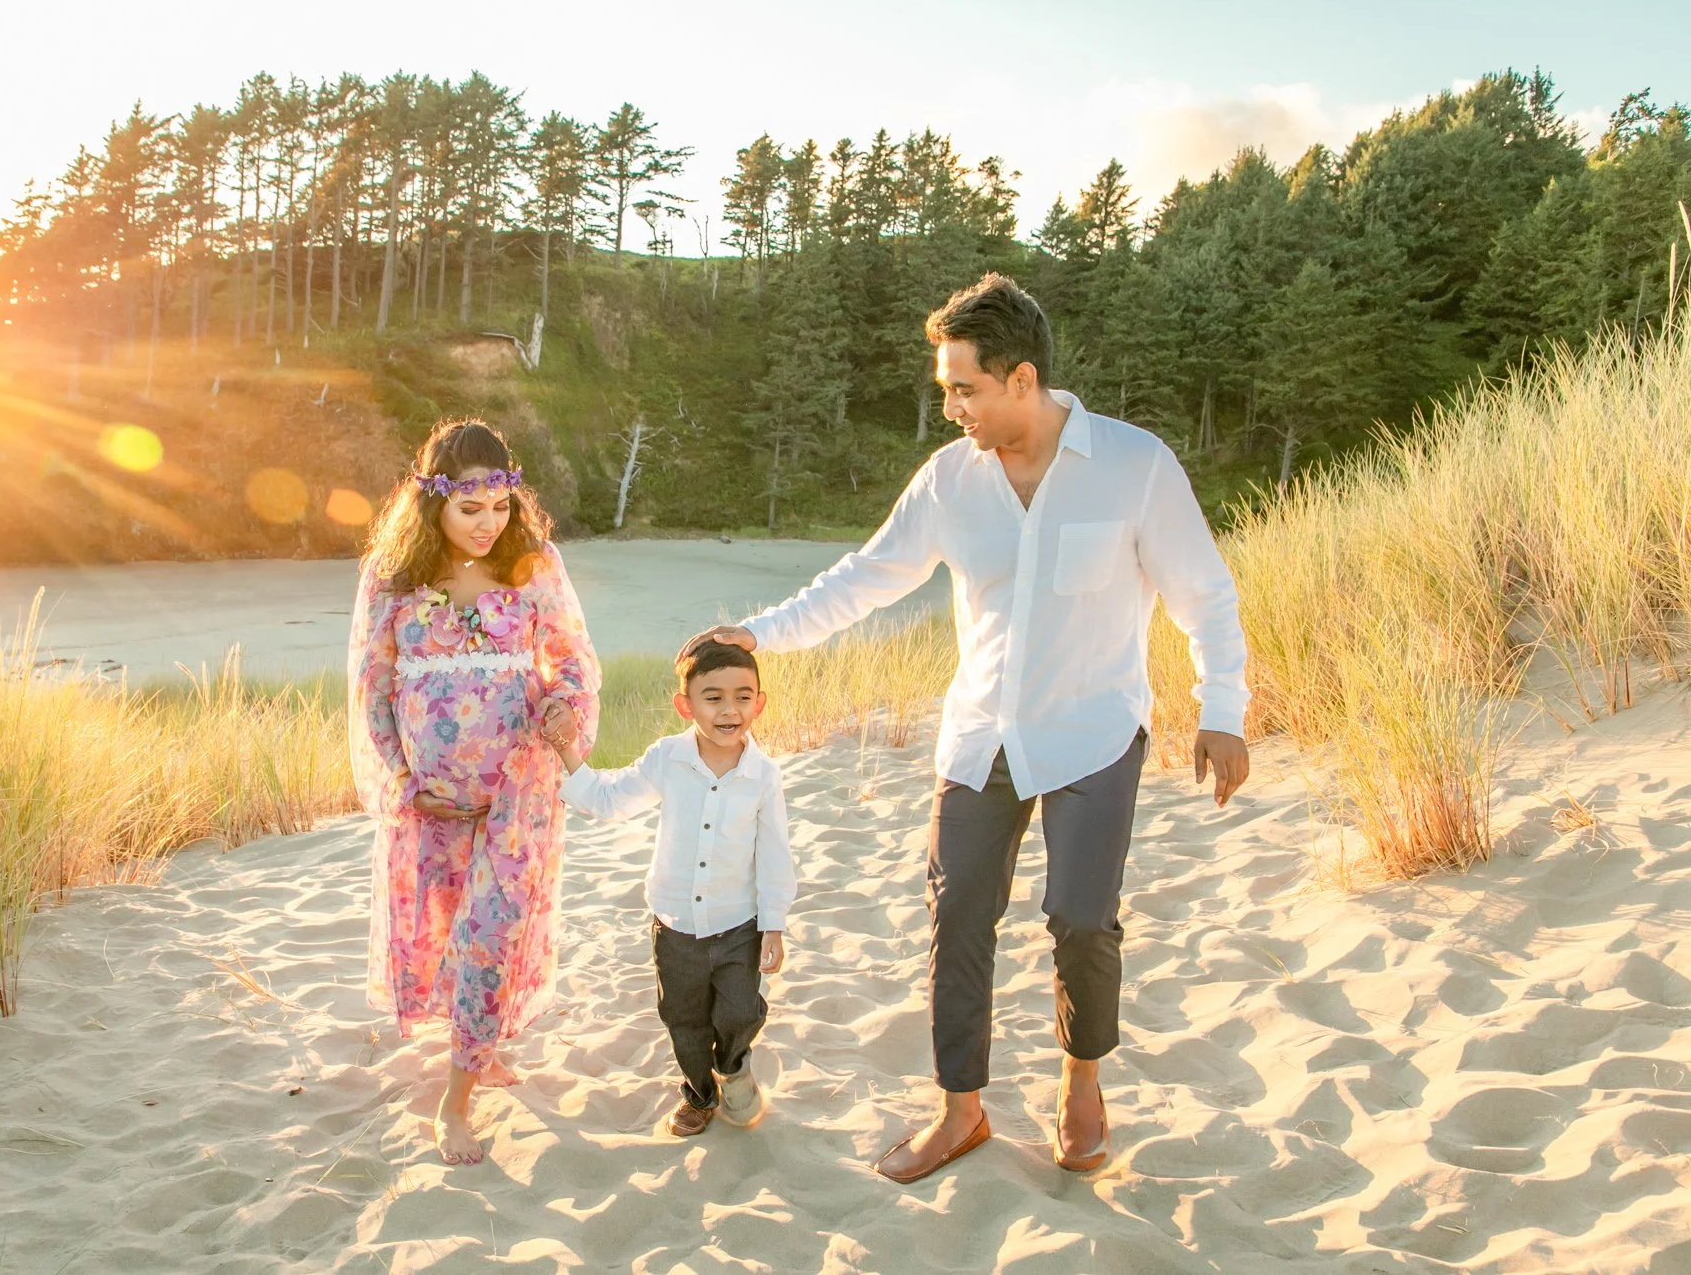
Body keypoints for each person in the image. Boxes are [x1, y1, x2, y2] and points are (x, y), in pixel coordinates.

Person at [684, 273, 1250, 1183]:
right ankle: (961, 1111)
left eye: (964, 387)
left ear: (1021, 379)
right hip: (982, 736)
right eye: (945, 386)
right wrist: (760, 633)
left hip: (1095, 731)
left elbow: (1206, 596)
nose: (949, 406)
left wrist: (1223, 708)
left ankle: (1081, 1080)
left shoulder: (1135, 465)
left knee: (1080, 919)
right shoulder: (949, 479)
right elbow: (864, 579)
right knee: (956, 916)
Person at [347, 418, 601, 1166]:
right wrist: (399, 778)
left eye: (499, 506)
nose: (490, 525)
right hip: (431, 804)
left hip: (519, 795)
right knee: (451, 937)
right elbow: (374, 689)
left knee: (491, 938)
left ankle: (453, 1105)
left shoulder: (535, 562)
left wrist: (566, 712)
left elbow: (574, 661)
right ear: (433, 506)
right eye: (471, 510)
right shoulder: (393, 578)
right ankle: (477, 1046)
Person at [540, 639, 795, 1138]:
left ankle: (735, 1064)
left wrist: (775, 924)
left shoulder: (764, 776)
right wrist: (566, 746)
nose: (730, 709)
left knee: (741, 1010)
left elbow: (774, 855)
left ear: (760, 703)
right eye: (713, 697)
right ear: (686, 705)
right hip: (675, 925)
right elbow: (609, 800)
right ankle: (699, 1093)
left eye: (743, 697)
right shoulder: (668, 758)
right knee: (683, 1019)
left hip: (738, 923)